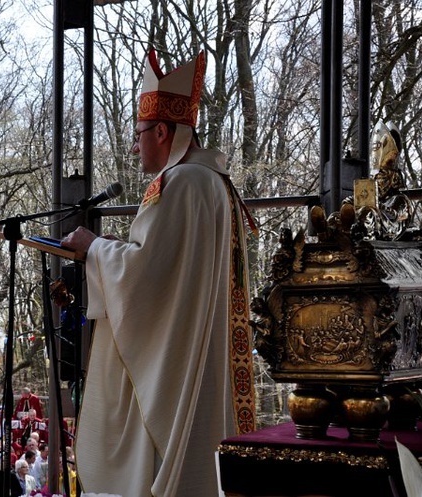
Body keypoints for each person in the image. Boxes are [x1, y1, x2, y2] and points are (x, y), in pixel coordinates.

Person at [60, 47, 256, 496]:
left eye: (139, 133)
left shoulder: (178, 183)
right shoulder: (215, 185)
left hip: (177, 361)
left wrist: (93, 247)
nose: (134, 145)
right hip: (203, 351)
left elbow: (143, 277)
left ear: (163, 131)